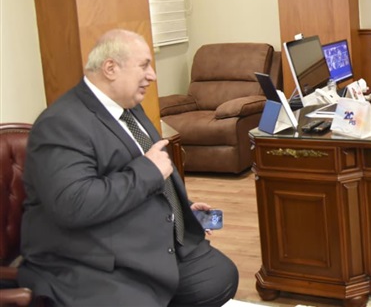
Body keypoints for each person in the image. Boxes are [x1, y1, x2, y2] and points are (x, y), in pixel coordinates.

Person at [18, 29, 238, 306]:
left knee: (220, 277)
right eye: (144, 66)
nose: (152, 75)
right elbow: (74, 203)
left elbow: (151, 175)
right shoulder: (61, 123)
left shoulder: (130, 109)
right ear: (110, 68)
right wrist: (148, 171)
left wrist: (180, 208)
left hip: (142, 235)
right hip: (93, 259)